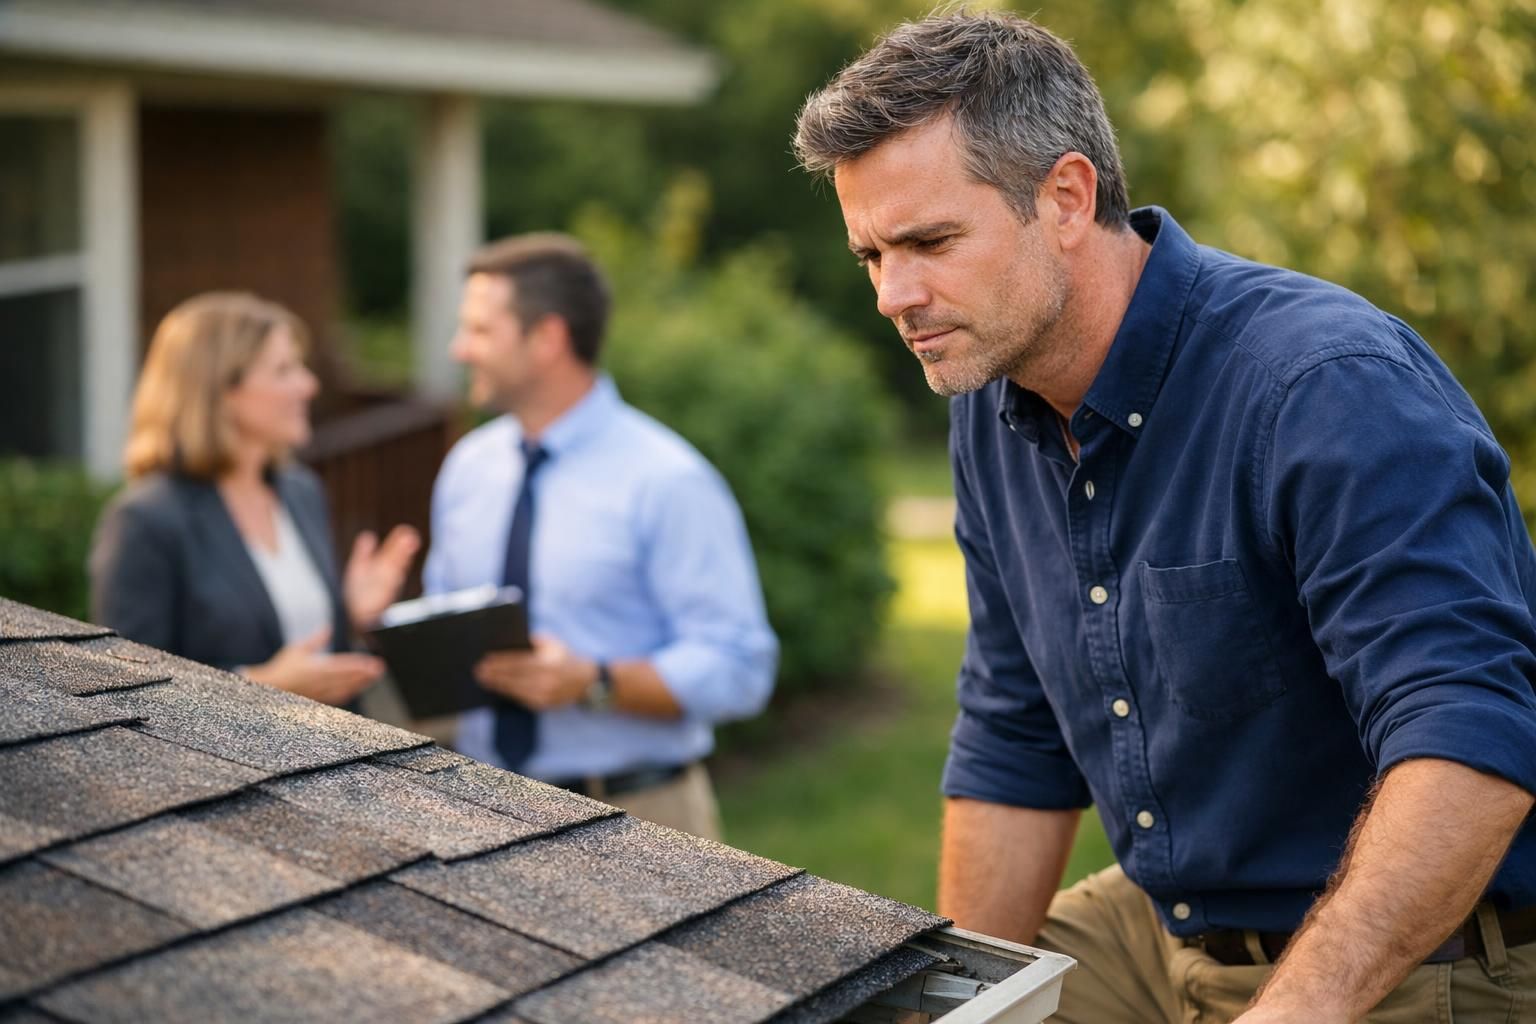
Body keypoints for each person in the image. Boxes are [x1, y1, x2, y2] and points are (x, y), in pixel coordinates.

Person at [794, 11, 1536, 1023]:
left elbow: (1473, 741)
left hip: (1412, 954)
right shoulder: (989, 402)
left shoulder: (1323, 388)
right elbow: (1016, 735)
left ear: (1065, 197)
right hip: (1161, 930)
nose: (893, 293)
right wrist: (961, 1005)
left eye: (927, 241)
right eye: (871, 254)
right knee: (865, 1005)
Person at [423, 232, 777, 839]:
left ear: (548, 339)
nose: (460, 350)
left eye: (480, 330)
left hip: (641, 821)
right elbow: (448, 629)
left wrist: (596, 680)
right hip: (480, 814)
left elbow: (740, 667)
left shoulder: (668, 480)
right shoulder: (467, 469)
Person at [91, 291, 420, 707]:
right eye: (284, 370)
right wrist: (261, 686)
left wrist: (349, 614)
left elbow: (308, 646)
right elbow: (126, 690)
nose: (308, 384)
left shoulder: (300, 491)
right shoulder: (145, 521)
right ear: (220, 390)